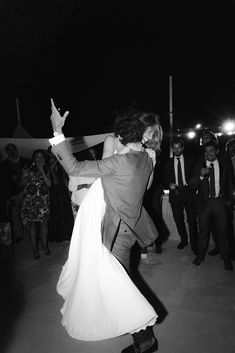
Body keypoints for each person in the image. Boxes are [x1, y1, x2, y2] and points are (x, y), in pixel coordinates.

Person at [49, 99, 159, 353]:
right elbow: (145, 187)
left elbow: (75, 167)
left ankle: (145, 341)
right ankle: (139, 335)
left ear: (120, 134)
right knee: (119, 279)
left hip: (117, 230)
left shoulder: (120, 162)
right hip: (130, 228)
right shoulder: (146, 158)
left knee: (119, 284)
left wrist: (57, 133)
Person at [102, 109, 163, 261]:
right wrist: (127, 148)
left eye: (153, 135)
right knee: (105, 249)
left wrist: (152, 164)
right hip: (108, 196)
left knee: (118, 252)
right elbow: (105, 170)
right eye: (149, 132)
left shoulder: (145, 151)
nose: (150, 137)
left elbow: (146, 187)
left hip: (127, 204)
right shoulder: (112, 140)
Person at [191, 140, 234, 271]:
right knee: (203, 232)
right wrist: (200, 175)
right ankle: (200, 256)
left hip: (220, 202)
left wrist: (229, 202)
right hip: (204, 204)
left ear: (217, 152)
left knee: (223, 232)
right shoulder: (199, 166)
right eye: (206, 151)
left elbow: (231, 185)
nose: (209, 154)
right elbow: (192, 185)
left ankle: (226, 259)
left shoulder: (225, 166)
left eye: (211, 151)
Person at [163, 138, 198, 254]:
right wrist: (169, 184)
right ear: (172, 148)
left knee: (192, 220)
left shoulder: (191, 160)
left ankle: (194, 243)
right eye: (174, 147)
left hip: (188, 192)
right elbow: (166, 177)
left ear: (182, 148)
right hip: (175, 194)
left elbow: (195, 175)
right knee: (178, 220)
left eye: (179, 147)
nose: (176, 150)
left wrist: (193, 186)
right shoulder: (168, 162)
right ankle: (183, 240)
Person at [21, 149, 51, 259]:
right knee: (33, 225)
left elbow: (49, 184)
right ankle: (34, 249)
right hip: (31, 201)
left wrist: (42, 170)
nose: (39, 159)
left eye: (41, 157)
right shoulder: (27, 169)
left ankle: (45, 246)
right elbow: (20, 183)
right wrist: (26, 177)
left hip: (43, 200)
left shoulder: (46, 169)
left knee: (44, 224)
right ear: (33, 158)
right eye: (37, 157)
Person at [0, 143, 29, 244]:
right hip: (14, 195)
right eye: (9, 150)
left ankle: (33, 234)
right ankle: (19, 235)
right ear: (6, 152)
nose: (12, 151)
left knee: (30, 214)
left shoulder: (26, 161)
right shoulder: (3, 166)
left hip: (29, 193)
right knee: (15, 217)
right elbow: (4, 183)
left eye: (13, 149)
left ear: (17, 149)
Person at [47, 147, 74, 242]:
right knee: (56, 213)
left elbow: (66, 177)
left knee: (64, 212)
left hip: (62, 190)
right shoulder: (47, 164)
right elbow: (51, 175)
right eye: (51, 152)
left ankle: (66, 234)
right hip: (53, 191)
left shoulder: (60, 163)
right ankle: (58, 236)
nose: (53, 154)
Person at [68, 148, 97, 218]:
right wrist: (84, 185)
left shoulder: (96, 167)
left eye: (93, 153)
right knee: (79, 226)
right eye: (91, 154)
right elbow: (71, 187)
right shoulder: (75, 169)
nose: (93, 155)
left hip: (92, 202)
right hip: (78, 202)